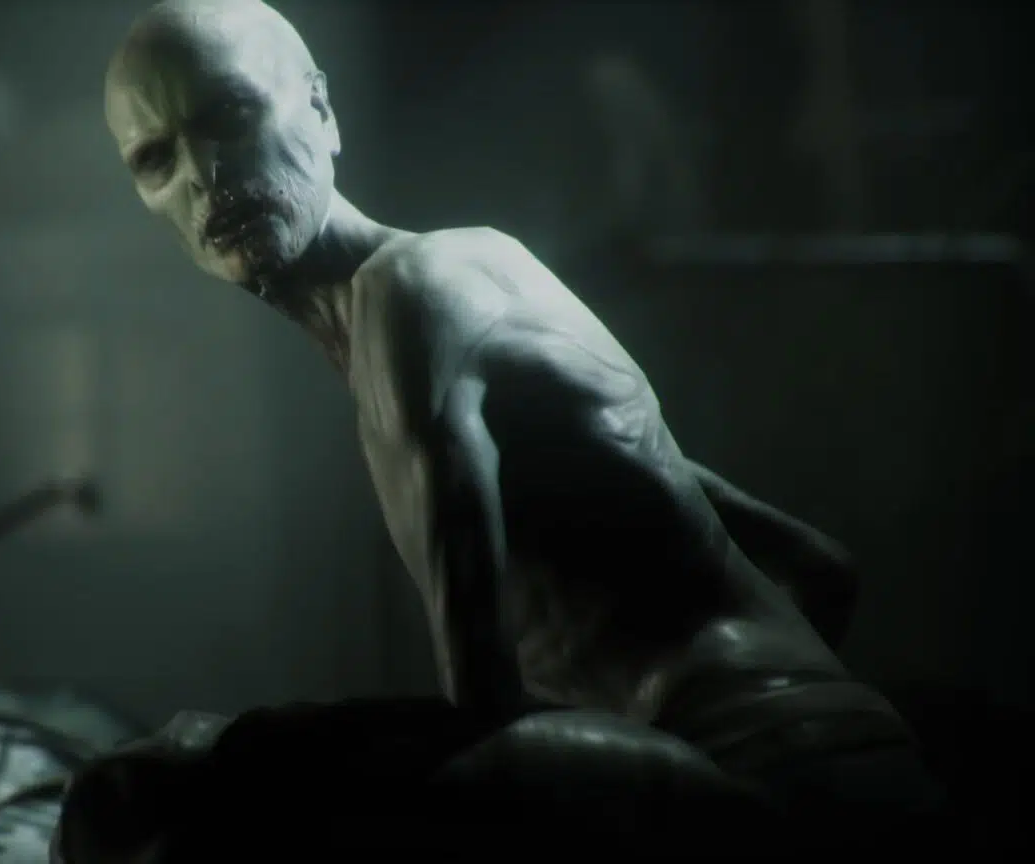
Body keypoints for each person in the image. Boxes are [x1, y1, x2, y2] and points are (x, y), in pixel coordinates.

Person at [57, 0, 943, 858]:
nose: (205, 175)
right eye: (155, 158)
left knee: (171, 783)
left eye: (232, 114)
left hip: (768, 774)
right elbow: (817, 563)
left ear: (321, 110)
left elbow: (482, 719)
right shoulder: (437, 293)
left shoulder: (413, 291)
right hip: (789, 763)